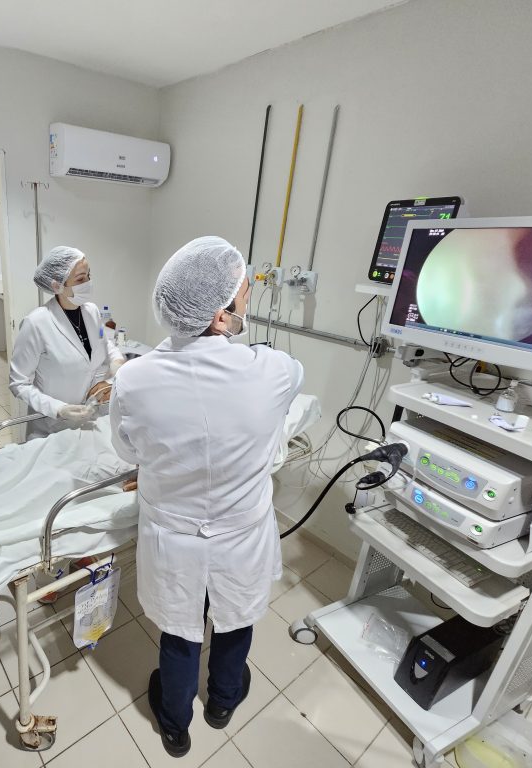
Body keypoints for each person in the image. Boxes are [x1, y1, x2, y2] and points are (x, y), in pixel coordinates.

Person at [109, 236, 304, 757]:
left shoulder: (133, 380)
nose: (248, 304)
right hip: (241, 534)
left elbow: (127, 449)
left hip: (173, 537)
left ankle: (176, 725)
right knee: (235, 620)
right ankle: (222, 702)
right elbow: (290, 387)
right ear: (221, 316)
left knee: (180, 631)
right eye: (243, 297)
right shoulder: (273, 369)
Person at [9, 246, 125, 440]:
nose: (88, 283)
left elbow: (105, 342)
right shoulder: (36, 323)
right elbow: (18, 383)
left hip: (91, 420)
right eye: (80, 279)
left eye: (89, 276)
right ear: (57, 286)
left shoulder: (92, 312)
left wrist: (116, 363)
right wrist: (58, 409)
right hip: (51, 428)